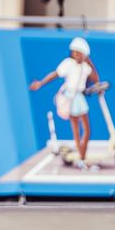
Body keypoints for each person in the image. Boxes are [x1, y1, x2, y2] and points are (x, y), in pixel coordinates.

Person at [29, 37, 100, 169]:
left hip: (80, 97)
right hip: (71, 97)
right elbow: (55, 74)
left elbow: (96, 78)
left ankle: (82, 157)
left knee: (87, 130)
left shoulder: (85, 67)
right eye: (74, 52)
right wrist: (40, 83)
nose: (76, 54)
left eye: (79, 52)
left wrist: (89, 61)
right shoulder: (68, 63)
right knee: (76, 131)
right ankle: (81, 159)